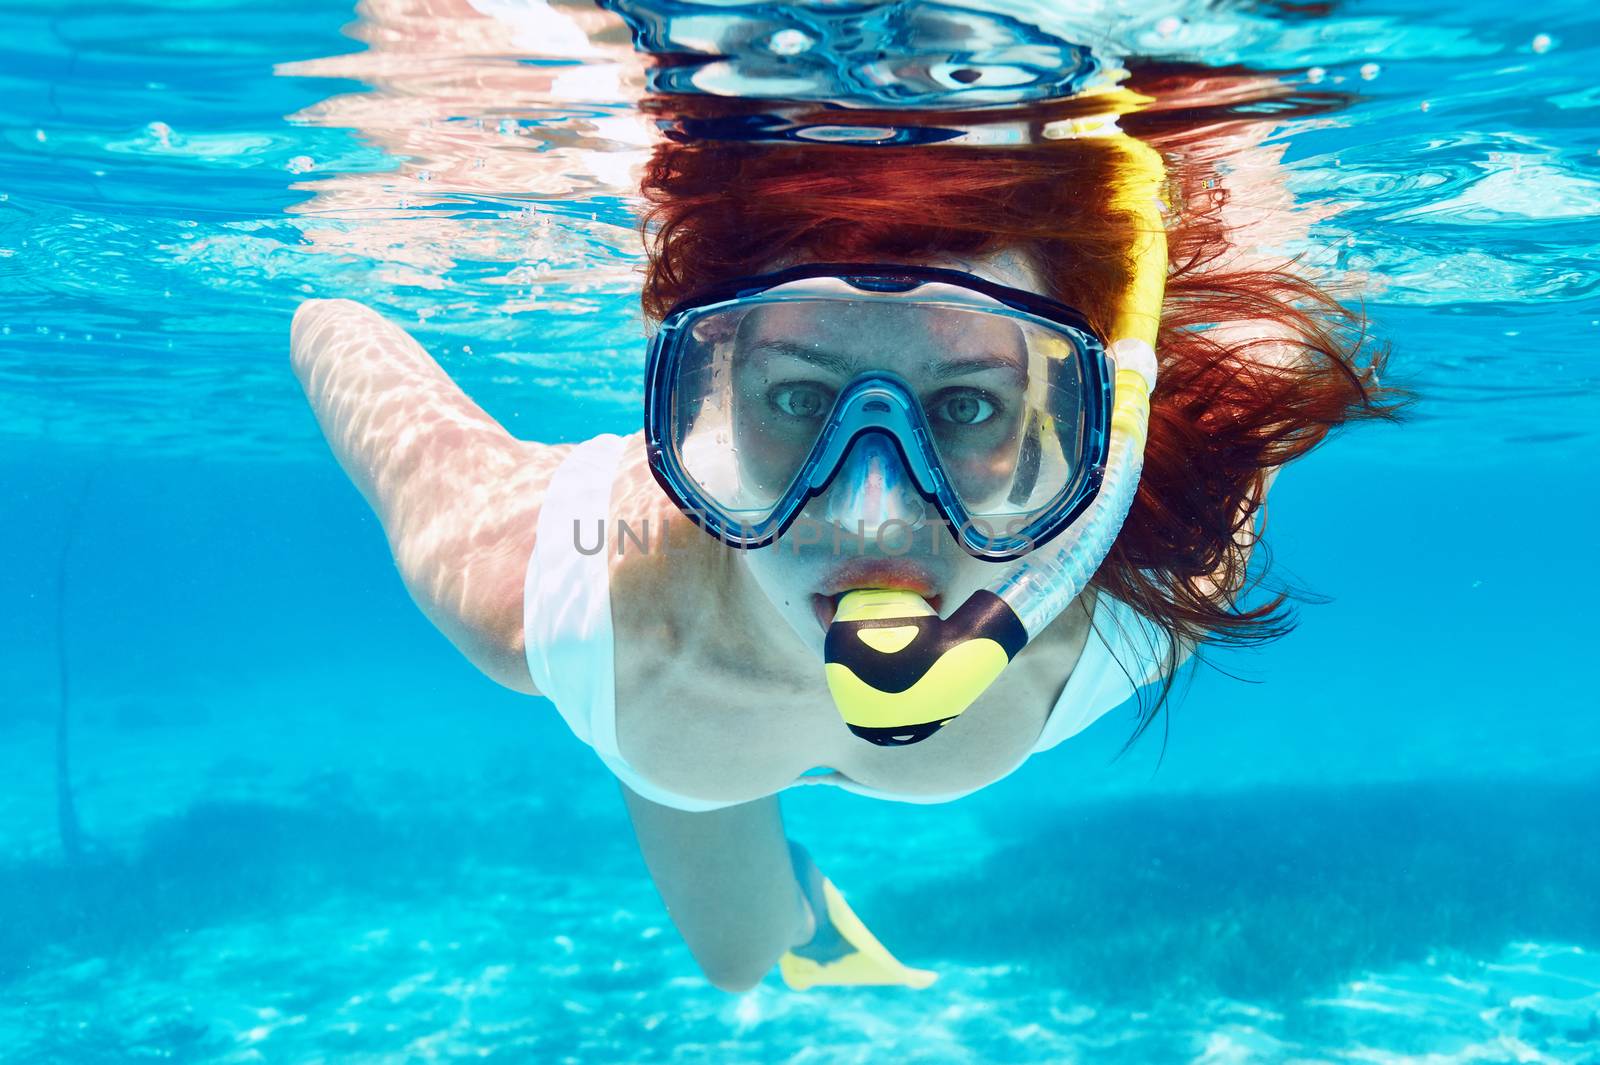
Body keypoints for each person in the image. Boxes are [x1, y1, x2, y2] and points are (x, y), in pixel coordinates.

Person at [290, 51, 1400, 990]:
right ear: (698, 390)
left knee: (731, 951)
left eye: (964, 406)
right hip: (666, 660)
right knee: (742, 958)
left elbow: (1271, 355)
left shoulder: (1150, 587)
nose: (872, 514)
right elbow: (328, 324)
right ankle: (806, 925)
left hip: (680, 674)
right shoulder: (560, 594)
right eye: (798, 398)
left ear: (1081, 422)